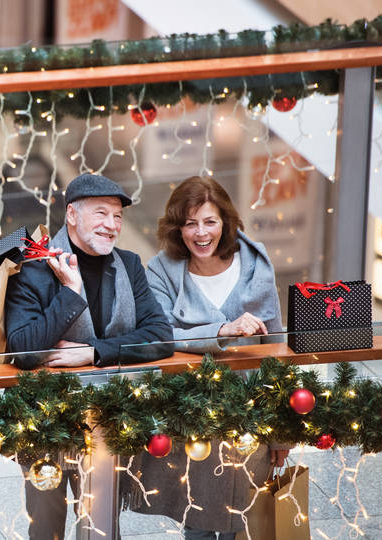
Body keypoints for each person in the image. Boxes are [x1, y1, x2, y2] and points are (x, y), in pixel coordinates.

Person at [4, 173, 174, 540]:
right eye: (101, 213)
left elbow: (160, 337)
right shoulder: (33, 268)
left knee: (101, 521)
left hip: (110, 417)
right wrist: (71, 291)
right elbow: (22, 351)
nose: (111, 225)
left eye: (117, 217)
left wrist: (94, 353)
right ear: (71, 215)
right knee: (46, 521)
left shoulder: (128, 265)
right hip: (44, 421)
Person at [130, 176, 288, 539]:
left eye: (209, 221)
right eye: (190, 223)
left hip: (250, 417)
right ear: (177, 227)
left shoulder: (256, 263)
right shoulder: (161, 269)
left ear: (225, 222)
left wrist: (281, 432)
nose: (201, 233)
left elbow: (275, 351)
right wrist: (221, 332)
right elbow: (159, 336)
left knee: (247, 519)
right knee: (199, 522)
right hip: (189, 415)